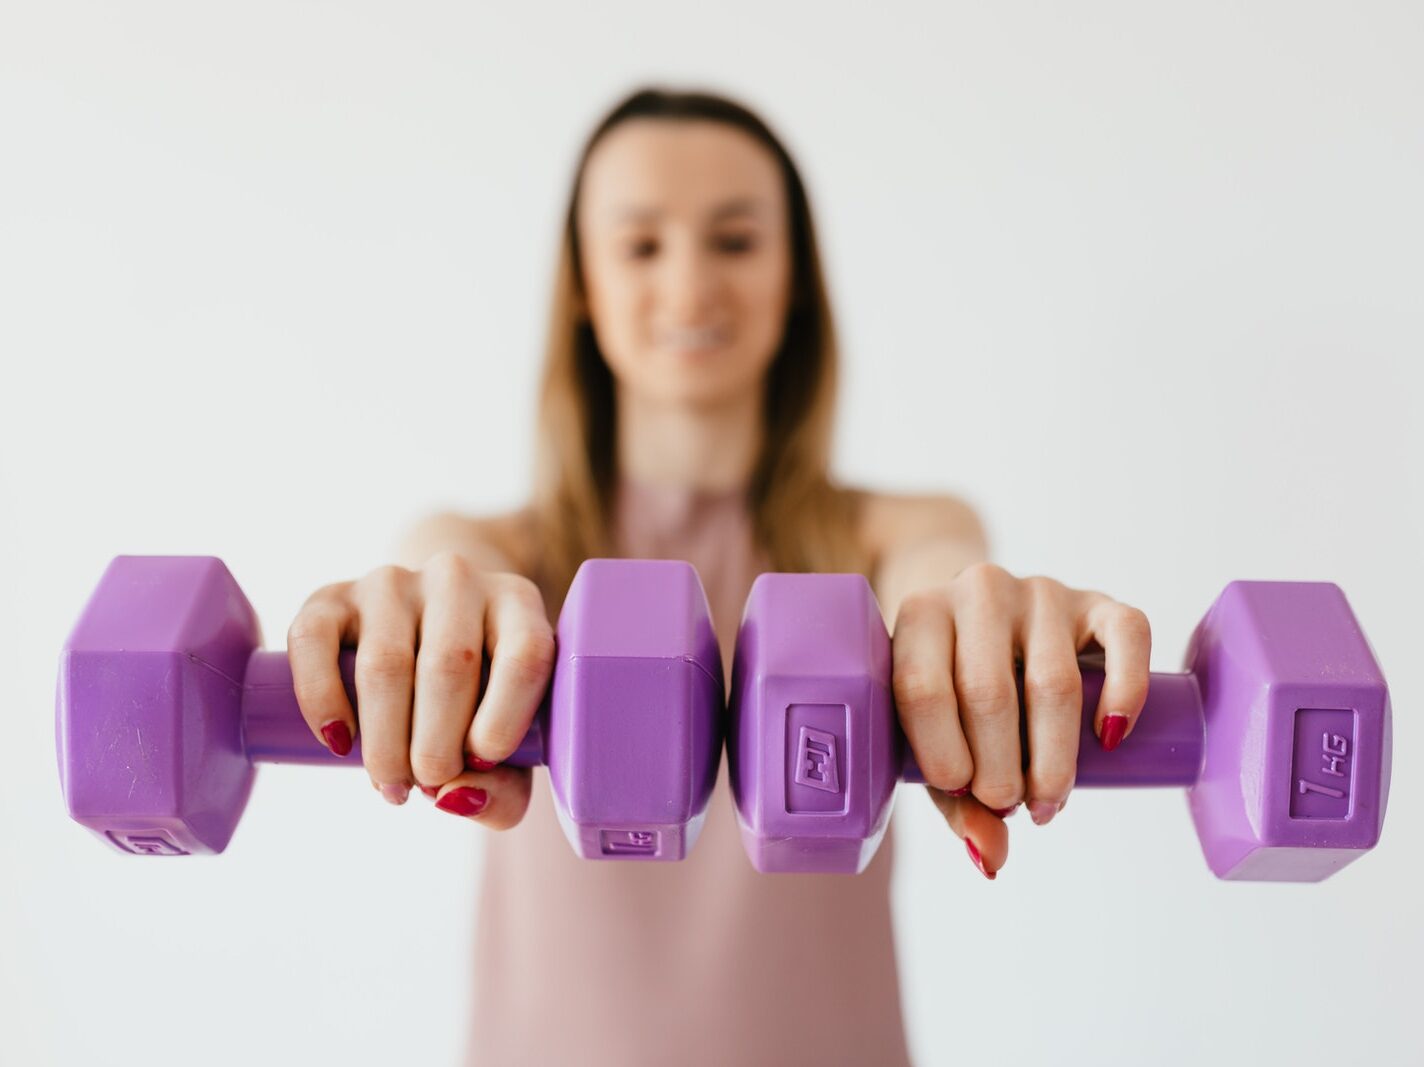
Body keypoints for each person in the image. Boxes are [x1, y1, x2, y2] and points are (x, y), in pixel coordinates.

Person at [286, 87, 1152, 1066]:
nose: (691, 284)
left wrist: (973, 625)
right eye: (642, 245)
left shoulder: (899, 535)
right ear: (583, 285)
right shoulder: (495, 555)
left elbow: (940, 585)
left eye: (735, 241)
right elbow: (449, 576)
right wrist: (427, 615)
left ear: (792, 279)